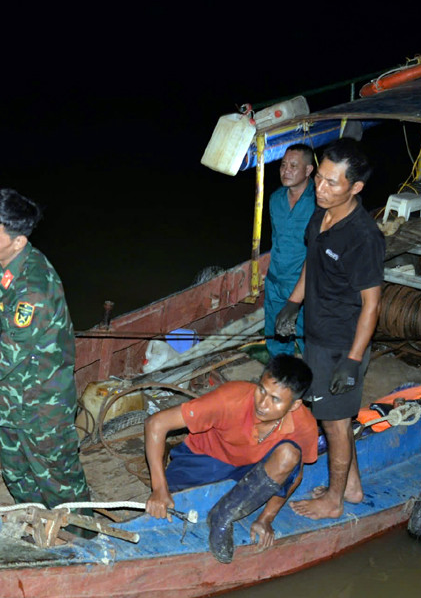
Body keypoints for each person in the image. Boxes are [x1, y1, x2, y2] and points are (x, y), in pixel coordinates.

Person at [275, 139, 383, 520]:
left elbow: (371, 304)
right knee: (331, 416)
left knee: (335, 424)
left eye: (332, 183)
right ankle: (351, 488)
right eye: (319, 178)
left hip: (342, 344)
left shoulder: (364, 237)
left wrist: (352, 361)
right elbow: (313, 262)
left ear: (355, 188)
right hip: (316, 335)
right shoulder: (320, 213)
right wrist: (293, 302)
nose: (320, 189)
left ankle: (334, 500)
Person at [0, 189, 91, 512]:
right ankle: (34, 525)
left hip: (41, 404)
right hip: (12, 402)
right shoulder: (8, 267)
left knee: (59, 482)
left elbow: (6, 357)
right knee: (17, 474)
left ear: (18, 241)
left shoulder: (33, 289)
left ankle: (83, 541)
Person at [144, 355, 318, 561]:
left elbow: (295, 475)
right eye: (262, 390)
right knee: (171, 504)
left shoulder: (304, 425)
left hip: (251, 465)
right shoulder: (230, 398)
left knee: (290, 455)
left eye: (276, 400)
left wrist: (266, 518)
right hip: (204, 459)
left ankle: (222, 517)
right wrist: (159, 488)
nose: (262, 404)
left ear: (295, 405)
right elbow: (156, 423)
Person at [265, 144, 316, 358]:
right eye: (283, 165)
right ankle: (279, 371)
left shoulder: (319, 202)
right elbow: (277, 240)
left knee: (309, 337)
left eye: (294, 166)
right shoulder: (275, 199)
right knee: (276, 334)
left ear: (308, 170)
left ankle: (313, 378)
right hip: (275, 279)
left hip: (305, 284)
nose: (286, 170)